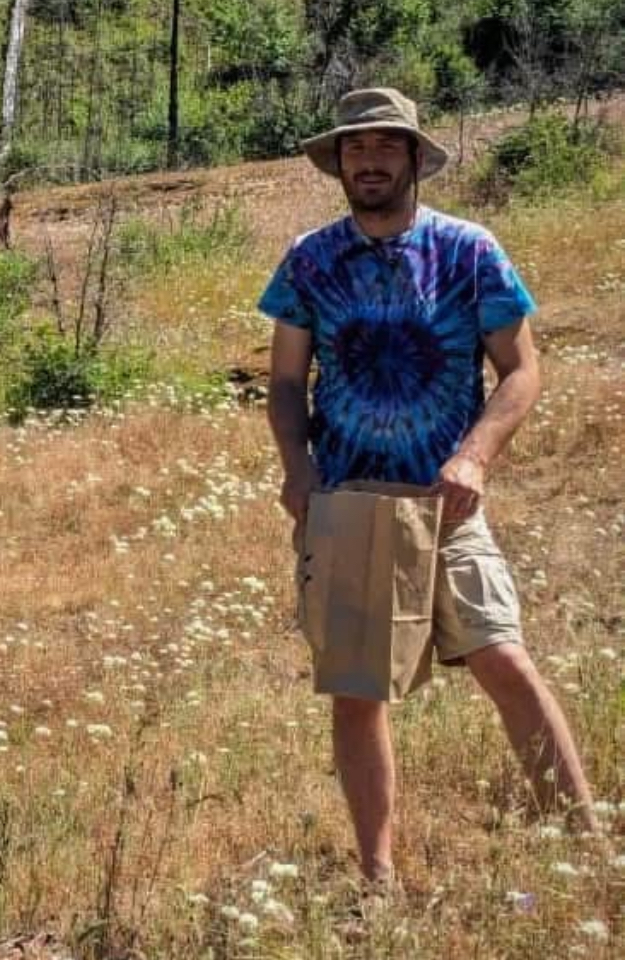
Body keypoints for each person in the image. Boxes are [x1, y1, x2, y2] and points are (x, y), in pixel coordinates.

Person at [258, 88, 597, 885]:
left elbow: (522, 369)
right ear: (338, 163)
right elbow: (283, 381)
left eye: (385, 146)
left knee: (503, 657)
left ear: (415, 157)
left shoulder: (468, 250)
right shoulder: (310, 260)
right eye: (354, 148)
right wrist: (298, 472)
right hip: (348, 501)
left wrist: (475, 456)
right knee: (357, 689)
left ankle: (589, 853)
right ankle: (376, 876)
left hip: (445, 504)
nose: (368, 160)